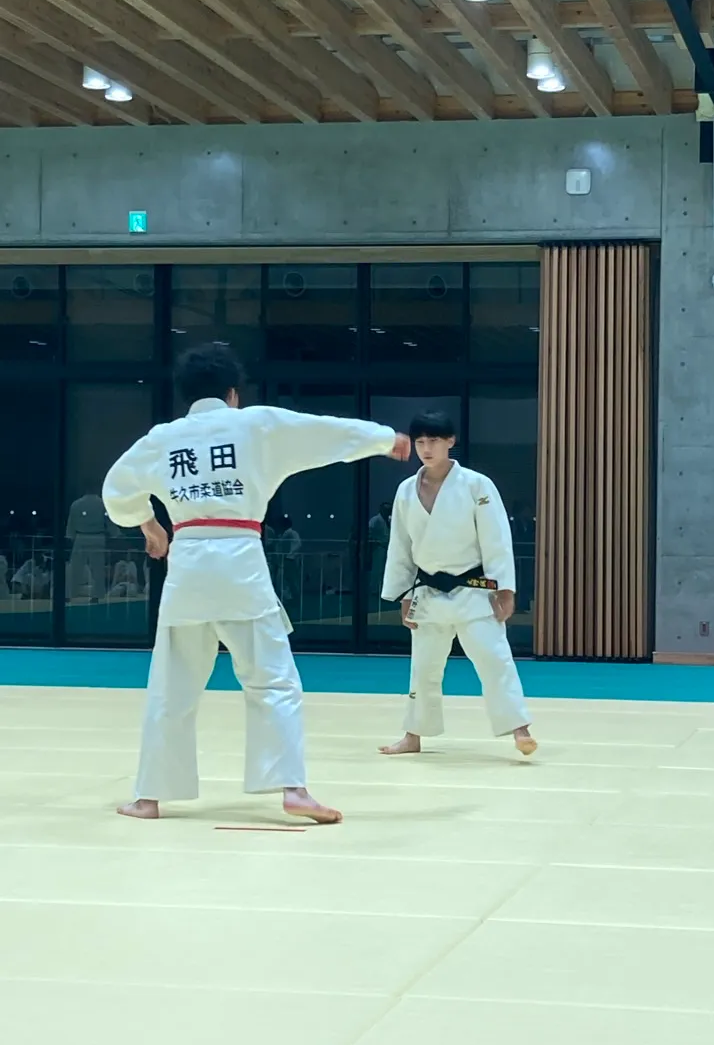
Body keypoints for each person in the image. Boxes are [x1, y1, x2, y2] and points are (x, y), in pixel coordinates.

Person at [102, 342, 410, 822]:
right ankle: (292, 789)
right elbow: (320, 432)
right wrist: (383, 438)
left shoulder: (163, 438)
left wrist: (149, 524)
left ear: (188, 394)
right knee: (272, 680)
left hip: (188, 563)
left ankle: (148, 797)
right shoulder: (254, 425)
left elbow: (116, 489)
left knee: (171, 687)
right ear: (232, 393)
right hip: (239, 560)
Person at [379, 410, 536, 760]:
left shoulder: (476, 485)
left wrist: (504, 589)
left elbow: (496, 538)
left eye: (434, 440)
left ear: (451, 441)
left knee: (494, 659)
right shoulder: (406, 491)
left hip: (474, 589)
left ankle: (519, 728)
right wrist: (404, 594)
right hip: (427, 592)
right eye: (420, 442)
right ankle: (413, 735)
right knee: (424, 668)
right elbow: (400, 546)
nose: (426, 448)